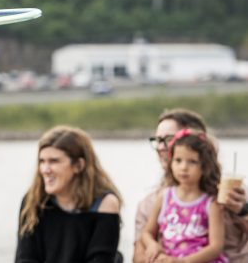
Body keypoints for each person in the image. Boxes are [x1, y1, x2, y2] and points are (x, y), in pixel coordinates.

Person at [133, 109, 248, 263]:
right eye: (157, 140)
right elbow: (139, 256)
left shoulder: (231, 193)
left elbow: (216, 247)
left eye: (169, 139)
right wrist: (156, 252)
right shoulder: (153, 202)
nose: (161, 147)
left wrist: (243, 211)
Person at [15, 125, 122, 263]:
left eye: (54, 161)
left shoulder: (104, 204)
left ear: (78, 165)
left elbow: (100, 259)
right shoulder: (32, 201)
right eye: (42, 161)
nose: (45, 170)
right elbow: (25, 258)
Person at [140, 129, 227, 263]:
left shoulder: (211, 203)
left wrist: (184, 261)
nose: (184, 167)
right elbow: (147, 232)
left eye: (192, 161)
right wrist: (152, 244)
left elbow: (216, 247)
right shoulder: (164, 197)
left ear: (205, 166)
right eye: (178, 160)